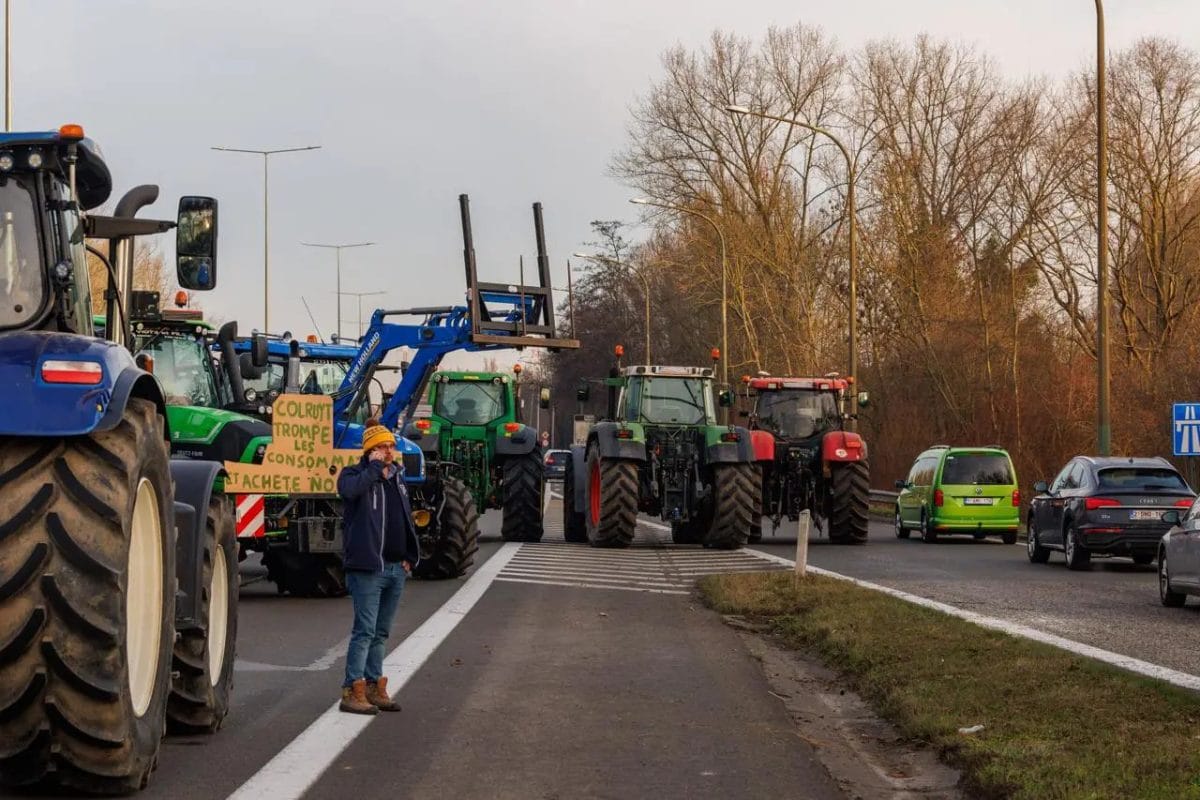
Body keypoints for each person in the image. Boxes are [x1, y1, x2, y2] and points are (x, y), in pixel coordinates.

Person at [336, 418, 420, 715]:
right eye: (382, 447)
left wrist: (410, 554)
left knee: (381, 632)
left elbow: (405, 517)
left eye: (390, 446)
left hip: (396, 567)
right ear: (370, 450)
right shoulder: (354, 475)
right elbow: (348, 493)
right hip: (368, 568)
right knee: (364, 630)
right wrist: (372, 470)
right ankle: (352, 689)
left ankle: (374, 686)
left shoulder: (397, 478)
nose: (388, 451)